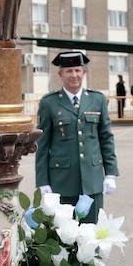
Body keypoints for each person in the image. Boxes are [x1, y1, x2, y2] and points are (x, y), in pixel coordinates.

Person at [35, 50, 118, 223]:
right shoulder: (49, 103)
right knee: (64, 236)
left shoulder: (97, 100)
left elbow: (106, 139)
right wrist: (43, 181)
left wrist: (110, 173)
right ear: (60, 74)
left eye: (78, 70)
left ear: (84, 72)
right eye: (69, 71)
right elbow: (42, 145)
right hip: (62, 182)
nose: (74, 75)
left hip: (92, 181)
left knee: (91, 234)